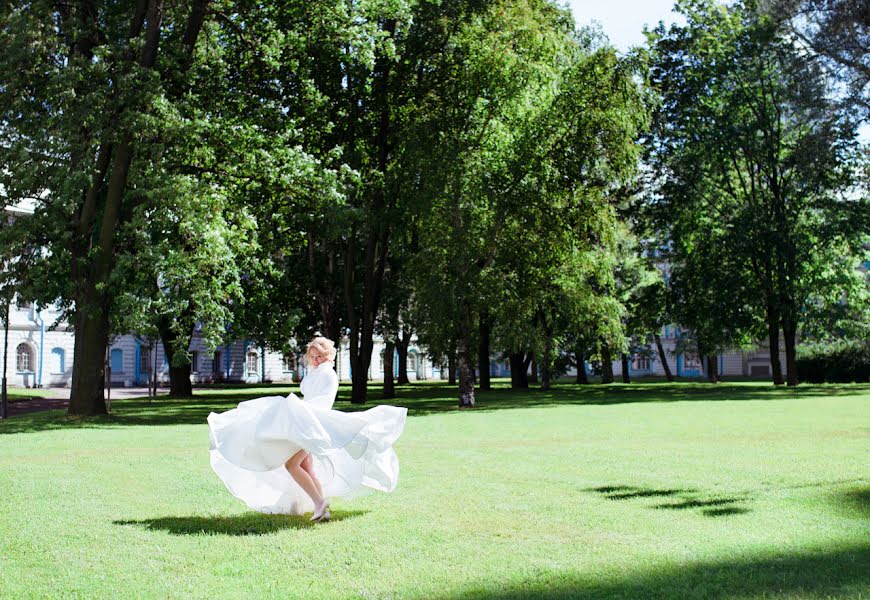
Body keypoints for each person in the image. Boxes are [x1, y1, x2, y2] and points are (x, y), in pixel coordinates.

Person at [207, 336, 407, 522]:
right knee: (307, 467)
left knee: (292, 465)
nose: (316, 359)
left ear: (327, 355)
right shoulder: (316, 372)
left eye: (319, 356)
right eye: (312, 356)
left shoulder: (328, 374)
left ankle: (320, 503)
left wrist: (300, 413)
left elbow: (322, 403)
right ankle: (321, 507)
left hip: (312, 425)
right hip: (304, 421)